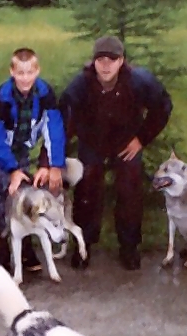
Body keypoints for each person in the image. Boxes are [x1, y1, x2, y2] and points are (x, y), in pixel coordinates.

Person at [59, 36, 173, 271]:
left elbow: (163, 107)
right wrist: (53, 160)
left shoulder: (139, 82)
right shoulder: (80, 85)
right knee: (87, 186)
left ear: (121, 61)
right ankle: (83, 244)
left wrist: (141, 138)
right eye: (100, 59)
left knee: (130, 187)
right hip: (93, 142)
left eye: (112, 59)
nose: (106, 65)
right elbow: (63, 122)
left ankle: (129, 246)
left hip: (125, 143)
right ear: (93, 62)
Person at [0, 47, 67, 271]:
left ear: (37, 71)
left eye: (30, 72)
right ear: (12, 72)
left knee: (24, 192)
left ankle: (25, 240)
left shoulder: (46, 94)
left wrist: (53, 165)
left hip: (21, 147)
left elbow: (54, 128)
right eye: (20, 73)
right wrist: (12, 170)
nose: (25, 78)